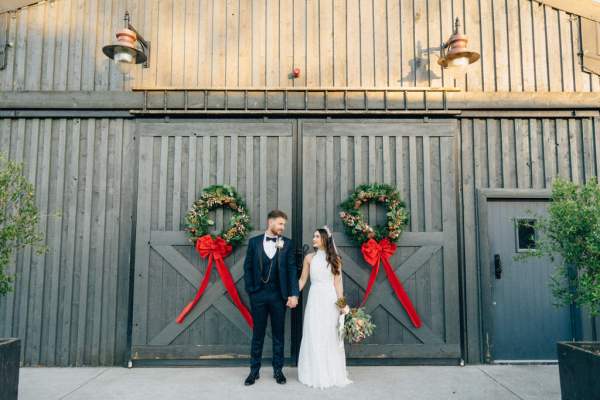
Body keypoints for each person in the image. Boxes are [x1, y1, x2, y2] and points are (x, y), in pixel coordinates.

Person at [243, 209, 299, 386]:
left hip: (278, 296)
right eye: (281, 223)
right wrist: (251, 290)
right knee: (257, 334)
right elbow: (248, 268)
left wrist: (293, 293)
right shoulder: (254, 243)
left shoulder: (287, 244)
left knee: (278, 334)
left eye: (284, 224)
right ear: (270, 222)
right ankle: (254, 371)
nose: (283, 227)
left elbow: (291, 270)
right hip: (258, 295)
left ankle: (278, 371)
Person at [297, 226, 353, 389]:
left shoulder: (335, 259)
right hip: (314, 298)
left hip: (330, 300)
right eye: (313, 236)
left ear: (324, 240)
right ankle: (314, 372)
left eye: (317, 236)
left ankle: (331, 372)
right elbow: (302, 281)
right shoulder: (309, 258)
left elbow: (338, 285)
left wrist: (342, 306)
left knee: (329, 334)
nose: (313, 239)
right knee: (313, 332)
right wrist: (291, 294)